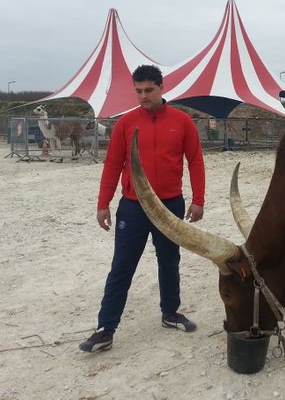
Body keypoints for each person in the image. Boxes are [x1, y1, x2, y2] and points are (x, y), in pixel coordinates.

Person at [79, 65, 205, 353]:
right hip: (133, 207)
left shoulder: (182, 121)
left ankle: (170, 313)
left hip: (170, 204)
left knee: (169, 260)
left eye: (149, 90)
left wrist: (199, 199)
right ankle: (105, 329)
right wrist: (102, 204)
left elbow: (195, 161)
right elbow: (112, 164)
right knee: (122, 266)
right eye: (138, 91)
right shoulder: (125, 123)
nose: (143, 96)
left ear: (162, 88)